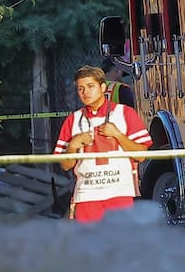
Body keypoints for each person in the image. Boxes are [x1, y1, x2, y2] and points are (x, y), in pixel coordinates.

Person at [54, 65, 152, 222]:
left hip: (120, 192)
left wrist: (118, 135)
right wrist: (73, 145)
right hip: (87, 195)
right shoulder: (73, 120)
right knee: (90, 243)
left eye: (90, 86)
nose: (85, 92)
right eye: (80, 89)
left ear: (103, 87)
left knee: (121, 243)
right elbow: (65, 165)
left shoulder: (125, 113)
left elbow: (141, 156)